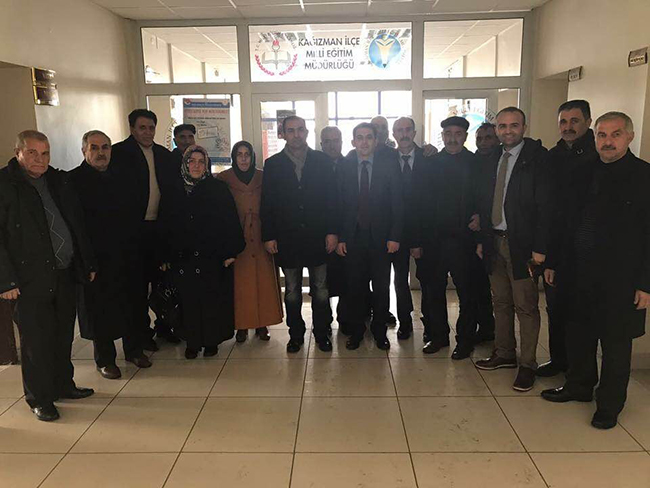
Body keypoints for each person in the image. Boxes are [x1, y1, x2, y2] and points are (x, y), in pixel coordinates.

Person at [541, 112, 650, 429]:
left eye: (616, 134)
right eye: (602, 135)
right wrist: (553, 263)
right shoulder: (581, 171)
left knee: (616, 344)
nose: (608, 141)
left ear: (629, 136)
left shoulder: (644, 176)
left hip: (621, 278)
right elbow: (563, 222)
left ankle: (609, 405)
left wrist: (646, 283)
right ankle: (579, 386)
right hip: (578, 271)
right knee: (579, 335)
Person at [0, 130, 96, 422]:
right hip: (29, 278)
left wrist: (86, 261)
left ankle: (63, 384)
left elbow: (76, 223)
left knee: (62, 335)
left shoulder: (57, 180)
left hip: (64, 272)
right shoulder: (5, 184)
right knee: (36, 342)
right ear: (18, 152)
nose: (40, 160)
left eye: (45, 153)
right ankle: (39, 398)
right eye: (32, 153)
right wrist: (6, 281)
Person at [474, 107, 552, 392]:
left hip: (522, 245)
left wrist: (540, 248)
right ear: (497, 129)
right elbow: (485, 200)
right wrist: (482, 239)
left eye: (514, 125)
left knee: (526, 306)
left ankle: (528, 364)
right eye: (502, 126)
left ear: (524, 127)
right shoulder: (493, 157)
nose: (508, 131)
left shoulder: (537, 159)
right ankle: (505, 353)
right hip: (494, 240)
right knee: (501, 302)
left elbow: (545, 208)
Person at [71, 130, 151, 378]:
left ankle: (133, 350)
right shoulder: (73, 181)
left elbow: (136, 211)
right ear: (84, 151)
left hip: (127, 252)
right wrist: (85, 261)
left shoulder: (123, 176)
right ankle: (105, 359)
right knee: (100, 309)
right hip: (95, 257)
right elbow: (75, 225)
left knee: (131, 303)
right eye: (94, 148)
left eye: (105, 147)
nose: (100, 152)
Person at [159, 145, 245, 359]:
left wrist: (230, 252)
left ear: (207, 165)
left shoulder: (218, 188)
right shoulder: (173, 190)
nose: (196, 166)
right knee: (188, 301)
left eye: (201, 162)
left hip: (211, 256)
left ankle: (211, 341)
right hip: (183, 257)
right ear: (185, 164)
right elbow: (164, 224)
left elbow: (230, 221)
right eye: (192, 161)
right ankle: (192, 341)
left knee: (211, 300)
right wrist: (164, 255)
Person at [261, 116, 338, 353]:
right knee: (292, 291)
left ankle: (322, 333)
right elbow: (267, 203)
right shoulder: (273, 164)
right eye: (291, 130)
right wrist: (269, 235)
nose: (296, 135)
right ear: (283, 134)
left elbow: (332, 199)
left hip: (318, 236)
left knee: (321, 289)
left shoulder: (322, 161)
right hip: (288, 238)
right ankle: (295, 334)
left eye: (300, 130)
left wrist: (332, 231)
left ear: (306, 132)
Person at [537, 100, 598, 378]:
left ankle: (580, 374)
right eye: (563, 121)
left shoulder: (598, 156)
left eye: (575, 121)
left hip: (586, 250)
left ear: (588, 122)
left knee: (580, 315)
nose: (568, 127)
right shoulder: (553, 155)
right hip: (557, 248)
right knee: (556, 308)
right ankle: (559, 360)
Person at [410, 116, 480, 359]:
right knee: (433, 290)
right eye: (448, 133)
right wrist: (416, 241)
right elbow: (417, 203)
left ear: (465, 136)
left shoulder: (476, 163)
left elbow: (485, 197)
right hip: (433, 240)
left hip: (464, 240)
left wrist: (480, 216)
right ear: (442, 136)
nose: (452, 138)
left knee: (467, 293)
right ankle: (438, 336)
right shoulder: (430, 162)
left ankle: (465, 340)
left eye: (458, 133)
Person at [111, 109, 179, 350]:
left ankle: (164, 328)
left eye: (151, 128)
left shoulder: (163, 155)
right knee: (136, 289)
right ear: (132, 129)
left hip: (158, 230)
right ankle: (139, 337)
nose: (148, 132)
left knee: (161, 283)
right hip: (132, 232)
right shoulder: (118, 154)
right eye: (142, 128)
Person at [336, 122, 404, 350]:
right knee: (355, 287)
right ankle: (357, 332)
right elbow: (339, 204)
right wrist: (341, 237)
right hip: (353, 238)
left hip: (382, 239)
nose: (364, 142)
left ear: (376, 141)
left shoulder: (389, 165)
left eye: (368, 137)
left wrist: (395, 236)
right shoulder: (345, 166)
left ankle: (379, 331)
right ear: (353, 141)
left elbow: (398, 202)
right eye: (360, 137)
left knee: (382, 288)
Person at [217, 141, 283, 343]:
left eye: (247, 154)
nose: (244, 159)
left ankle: (262, 323)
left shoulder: (263, 177)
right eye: (240, 154)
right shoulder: (223, 179)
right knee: (241, 284)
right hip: (237, 236)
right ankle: (242, 325)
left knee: (263, 282)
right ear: (234, 157)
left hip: (262, 236)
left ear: (253, 157)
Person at [391, 116, 427, 340]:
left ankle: (430, 323)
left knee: (427, 280)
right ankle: (405, 322)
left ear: (414, 133)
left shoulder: (429, 158)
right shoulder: (386, 159)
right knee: (400, 280)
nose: (404, 134)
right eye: (399, 130)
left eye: (407, 130)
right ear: (394, 134)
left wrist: (419, 239)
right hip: (397, 233)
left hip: (424, 231)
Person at [320, 126, 352, 334]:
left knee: (346, 281)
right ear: (321, 144)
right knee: (321, 283)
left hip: (346, 233)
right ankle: (323, 323)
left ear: (342, 141)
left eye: (336, 140)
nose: (332, 145)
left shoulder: (351, 164)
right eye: (327, 141)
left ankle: (345, 320)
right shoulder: (313, 165)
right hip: (319, 234)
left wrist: (343, 235)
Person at [471, 123, 498, 344]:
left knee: (499, 288)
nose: (483, 143)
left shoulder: (503, 161)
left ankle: (501, 334)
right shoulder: (472, 161)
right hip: (474, 233)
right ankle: (485, 327)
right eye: (479, 138)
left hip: (496, 232)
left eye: (488, 137)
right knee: (478, 284)